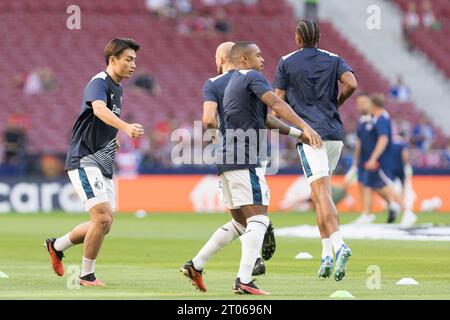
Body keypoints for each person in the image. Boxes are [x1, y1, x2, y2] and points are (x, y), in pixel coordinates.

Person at [180, 42, 317, 293]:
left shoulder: (215, 84)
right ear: (239, 58)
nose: (263, 59)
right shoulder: (250, 78)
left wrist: (218, 141)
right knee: (258, 219)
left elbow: (210, 119)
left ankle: (196, 264)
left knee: (242, 224)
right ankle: (245, 278)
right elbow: (272, 110)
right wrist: (303, 129)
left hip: (226, 158)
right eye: (258, 54)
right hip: (247, 157)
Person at [44, 38, 144, 286]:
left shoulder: (118, 88)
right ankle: (86, 275)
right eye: (128, 59)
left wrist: (113, 137)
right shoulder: (99, 82)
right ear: (113, 60)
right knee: (101, 218)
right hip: (85, 158)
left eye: (134, 60)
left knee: (104, 223)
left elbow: (101, 119)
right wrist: (125, 128)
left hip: (102, 160)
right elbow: (98, 109)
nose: (133, 65)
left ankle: (57, 245)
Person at [273, 20, 357, 281]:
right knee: (320, 193)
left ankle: (339, 244)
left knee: (321, 194)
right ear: (318, 37)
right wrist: (336, 103)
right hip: (334, 133)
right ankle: (326, 256)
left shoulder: (286, 61)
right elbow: (352, 84)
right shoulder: (334, 58)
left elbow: (277, 101)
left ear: (298, 38)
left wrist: (295, 117)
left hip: (311, 136)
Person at [363, 94, 415, 226]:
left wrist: (373, 158)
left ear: (374, 105)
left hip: (383, 159)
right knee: (376, 185)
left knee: (388, 186)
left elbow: (383, 139)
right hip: (382, 159)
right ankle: (394, 206)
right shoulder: (378, 119)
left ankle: (407, 211)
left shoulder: (382, 119)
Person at [349, 93, 376, 224]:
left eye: (363, 102)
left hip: (373, 159)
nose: (361, 106)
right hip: (363, 159)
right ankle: (366, 212)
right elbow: (359, 142)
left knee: (371, 186)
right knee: (363, 185)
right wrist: (356, 159)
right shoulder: (362, 120)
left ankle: (368, 213)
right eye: (359, 103)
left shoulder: (376, 119)